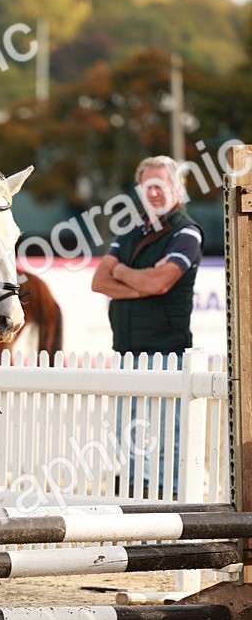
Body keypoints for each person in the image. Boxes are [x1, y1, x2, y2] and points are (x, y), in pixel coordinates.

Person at [91, 155, 203, 496]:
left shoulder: (187, 233)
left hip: (166, 349)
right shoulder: (128, 229)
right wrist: (142, 283)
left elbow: (160, 283)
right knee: (127, 431)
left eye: (161, 185)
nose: (154, 193)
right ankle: (131, 495)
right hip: (125, 349)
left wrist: (123, 273)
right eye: (148, 186)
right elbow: (98, 281)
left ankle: (170, 495)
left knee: (169, 433)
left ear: (176, 188)